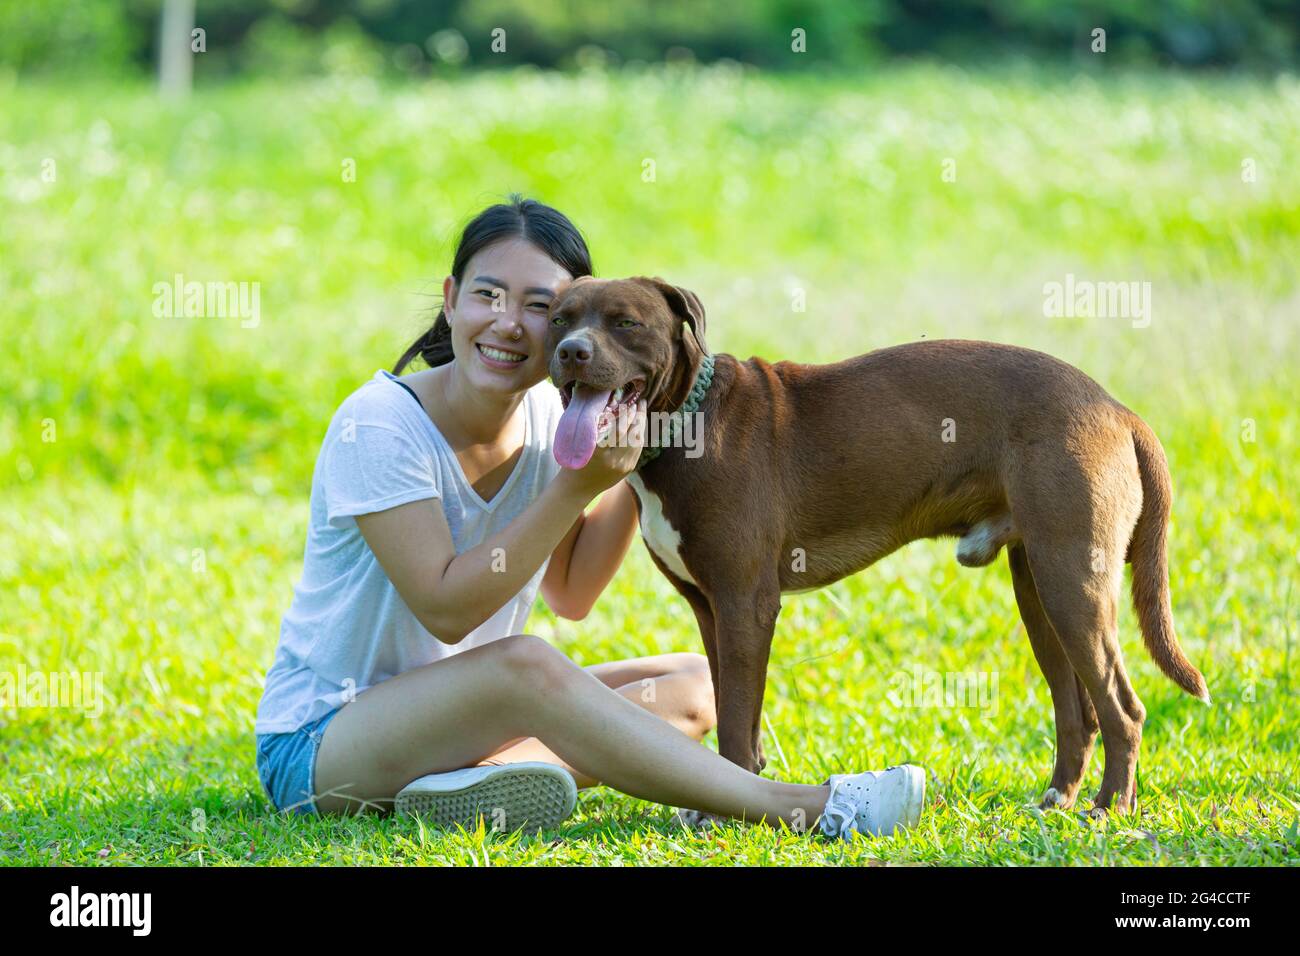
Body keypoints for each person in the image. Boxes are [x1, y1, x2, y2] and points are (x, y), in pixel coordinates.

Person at [253, 194, 925, 839]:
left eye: (540, 306)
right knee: (523, 662)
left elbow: (572, 594)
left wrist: (641, 448)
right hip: (321, 745)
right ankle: (797, 806)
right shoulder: (379, 425)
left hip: (465, 723)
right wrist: (579, 488)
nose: (510, 323)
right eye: (488, 295)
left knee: (694, 682)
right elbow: (446, 609)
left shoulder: (556, 421)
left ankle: (470, 789)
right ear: (451, 300)